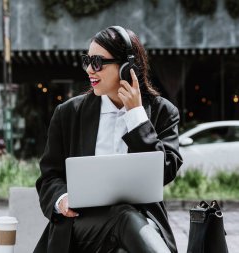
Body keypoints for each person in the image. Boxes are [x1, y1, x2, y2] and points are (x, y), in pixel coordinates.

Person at [34, 26, 183, 253]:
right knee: (123, 216)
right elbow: (49, 177)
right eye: (87, 60)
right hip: (81, 224)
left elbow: (165, 171)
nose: (89, 70)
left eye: (98, 62)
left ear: (127, 68)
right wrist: (62, 199)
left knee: (124, 231)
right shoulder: (68, 113)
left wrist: (137, 117)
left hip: (142, 221)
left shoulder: (163, 112)